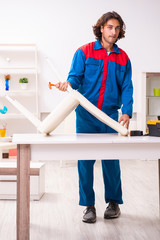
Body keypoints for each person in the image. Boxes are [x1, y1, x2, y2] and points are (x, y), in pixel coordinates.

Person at [55, 11, 133, 223]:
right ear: (101, 28)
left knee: (111, 161)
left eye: (117, 28)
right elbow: (75, 78)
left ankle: (114, 203)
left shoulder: (123, 58)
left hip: (110, 117)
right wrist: (68, 85)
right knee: (85, 161)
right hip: (86, 115)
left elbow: (127, 87)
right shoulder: (84, 52)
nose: (113, 32)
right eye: (109, 27)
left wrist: (127, 111)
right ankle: (89, 206)